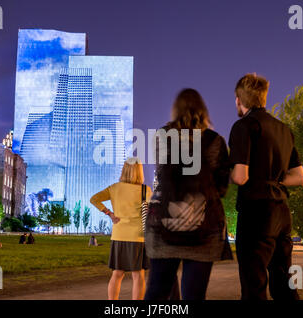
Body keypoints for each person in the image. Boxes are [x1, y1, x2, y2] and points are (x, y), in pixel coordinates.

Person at [144, 88, 232, 301]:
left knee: (156, 292)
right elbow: (222, 188)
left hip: (163, 226)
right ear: (203, 111)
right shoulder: (216, 141)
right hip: (204, 227)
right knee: (195, 295)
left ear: (175, 111)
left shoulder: (162, 136)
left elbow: (162, 175)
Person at [228, 74, 303, 300]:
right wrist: (274, 181)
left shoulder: (243, 127)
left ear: (238, 100)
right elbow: (299, 177)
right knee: (285, 284)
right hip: (281, 212)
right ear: (264, 97)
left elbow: (241, 177)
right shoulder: (284, 129)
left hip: (256, 212)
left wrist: (229, 171)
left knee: (254, 285)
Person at [90, 158, 152, 300]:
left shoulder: (114, 188)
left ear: (124, 169)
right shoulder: (145, 190)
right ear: (139, 171)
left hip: (118, 236)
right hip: (137, 237)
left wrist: (109, 213)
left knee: (117, 273)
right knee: (138, 275)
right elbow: (155, 209)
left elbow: (94, 199)